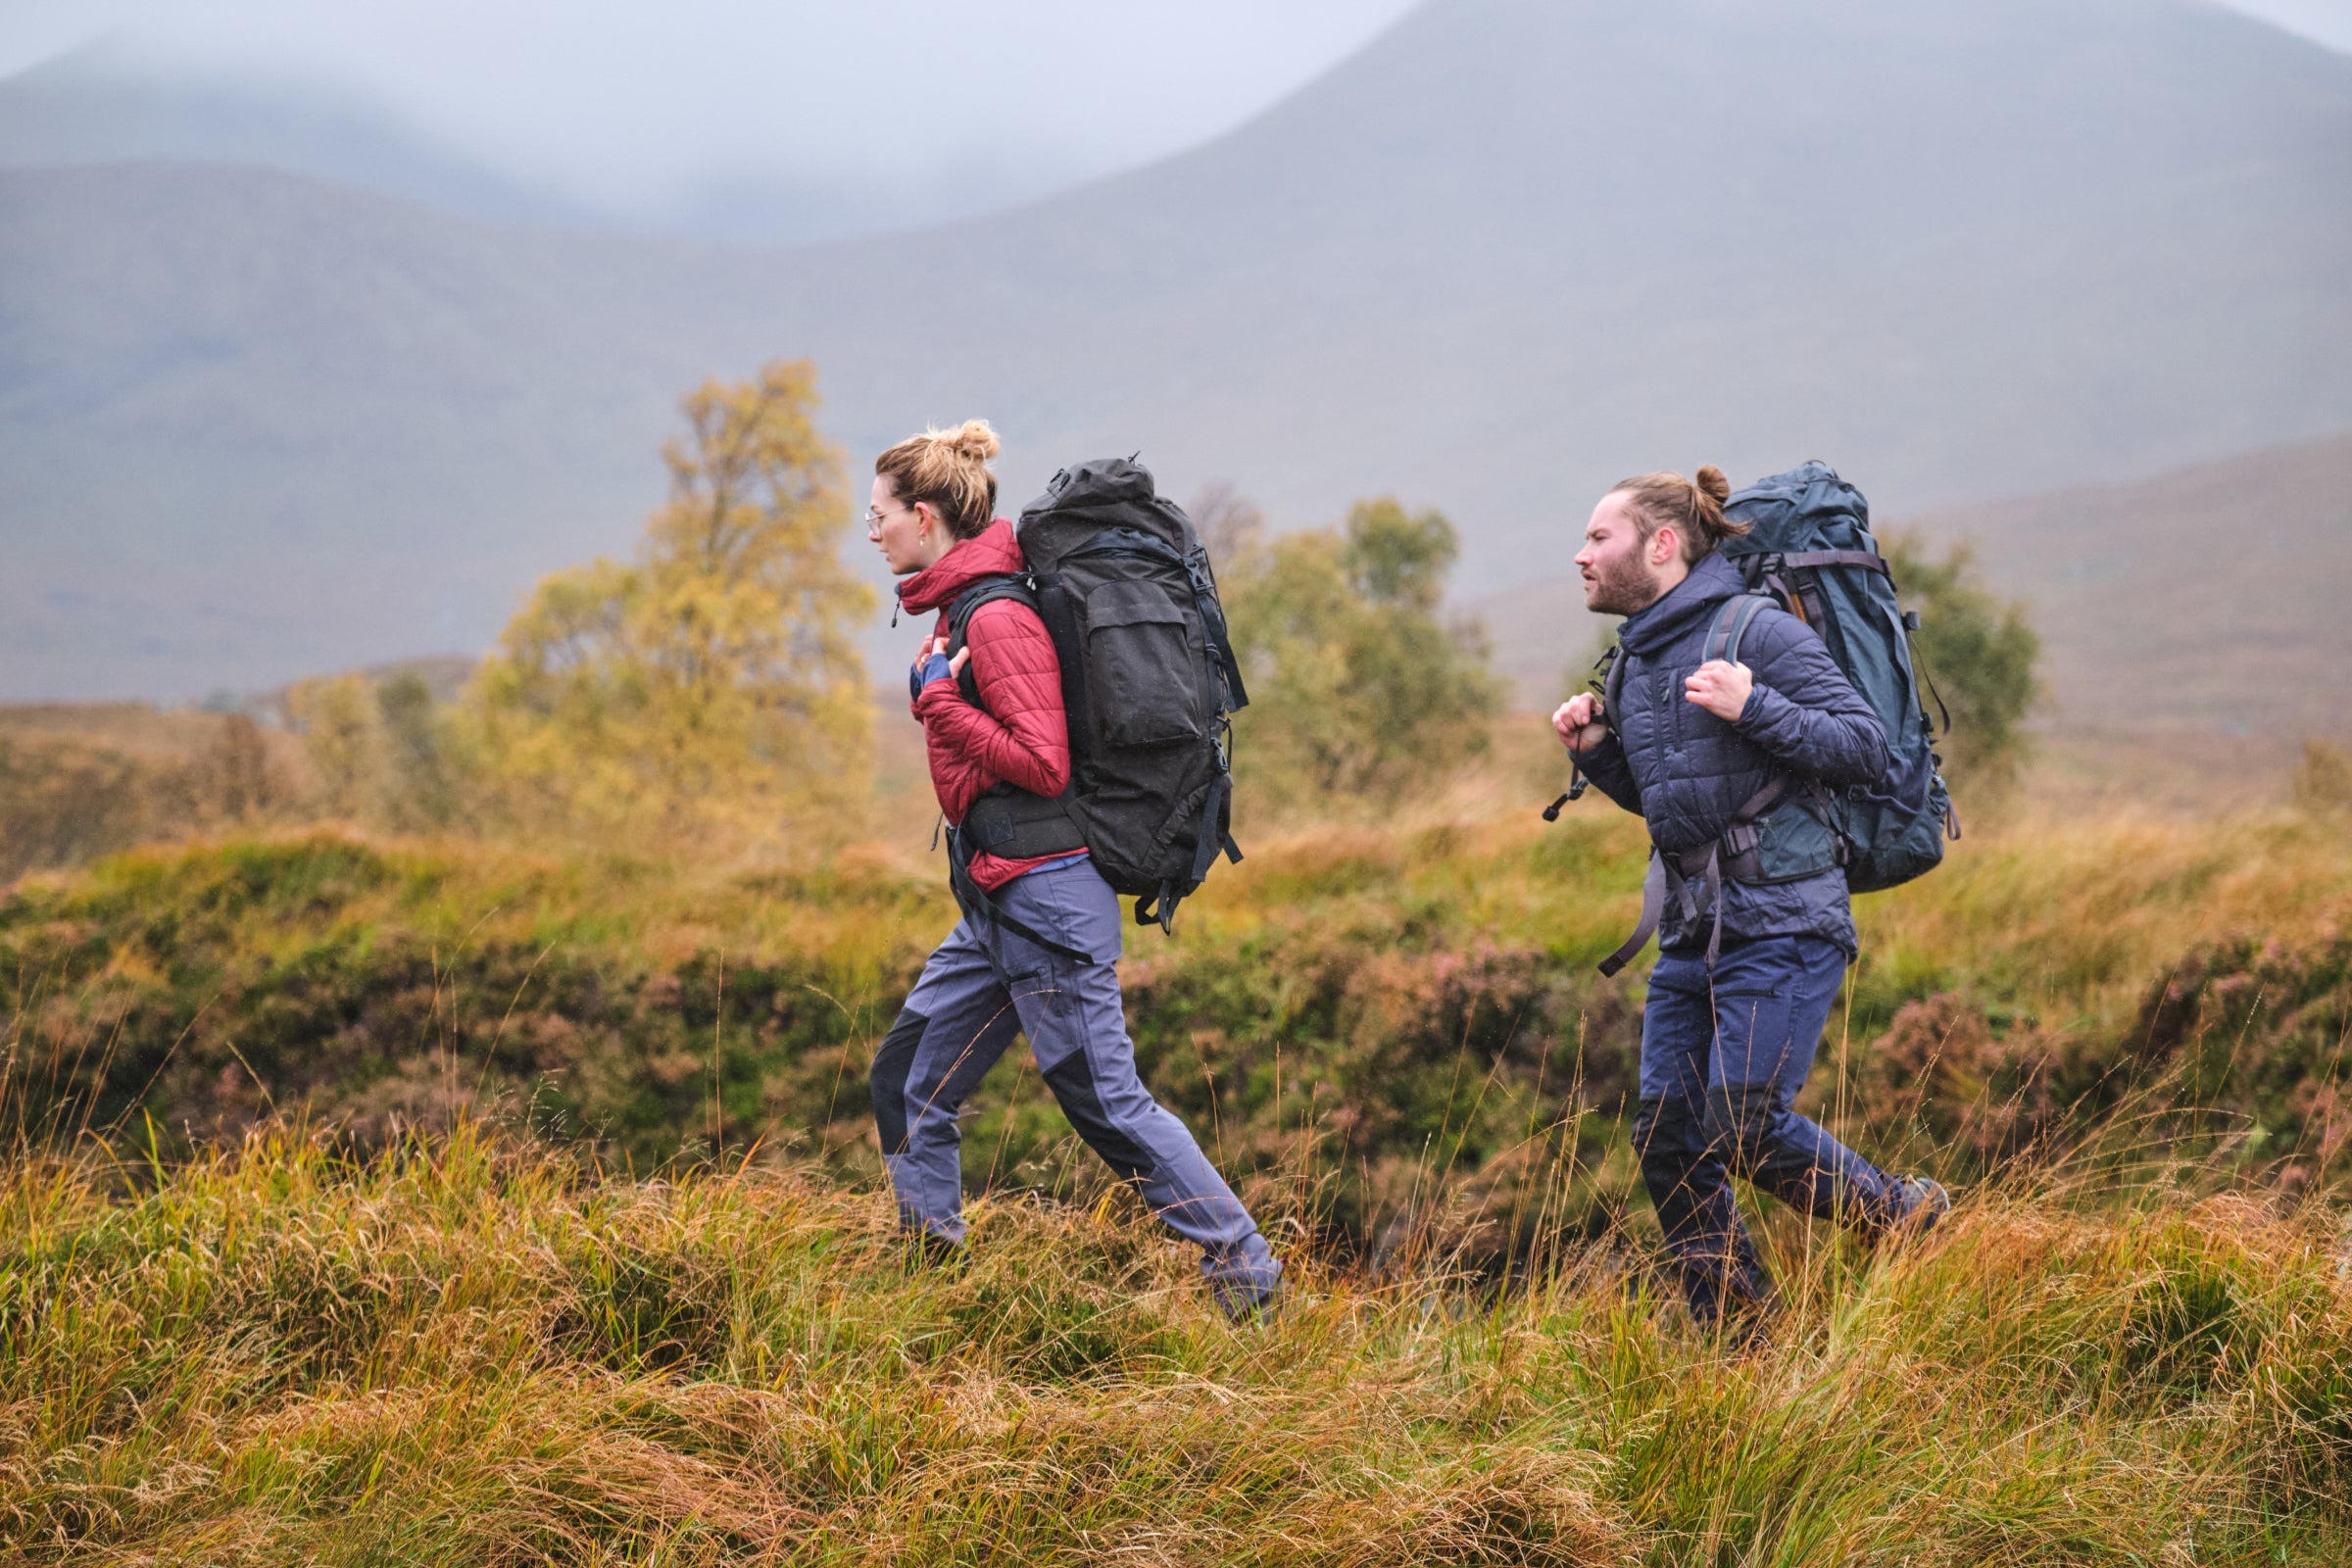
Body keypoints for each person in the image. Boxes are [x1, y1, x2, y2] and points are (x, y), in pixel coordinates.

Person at [863, 420, 1281, 1314]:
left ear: (924, 516)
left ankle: (1246, 1275)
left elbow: (1043, 761)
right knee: (907, 1080)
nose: (872, 532)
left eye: (880, 514)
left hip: (1047, 899)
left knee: (1106, 1102)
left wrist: (939, 704)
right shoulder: (960, 605)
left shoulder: (999, 616)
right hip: (997, 900)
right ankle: (930, 1292)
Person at [1553, 466, 1948, 1328]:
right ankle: (1740, 1339)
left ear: (1660, 545)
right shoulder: (1637, 660)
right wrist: (1596, 752)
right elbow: (1682, 801)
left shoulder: (1755, 634)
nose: (1580, 556)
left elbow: (1866, 752)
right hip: (1694, 934)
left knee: (1741, 1125)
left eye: (1598, 538)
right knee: (1668, 1142)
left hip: (1784, 923)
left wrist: (1756, 704)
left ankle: (1906, 1216)